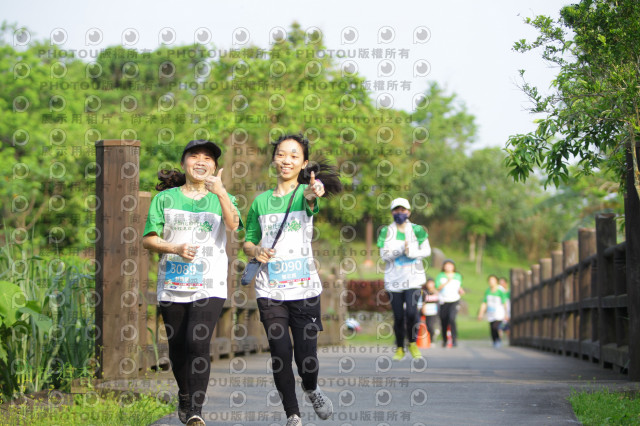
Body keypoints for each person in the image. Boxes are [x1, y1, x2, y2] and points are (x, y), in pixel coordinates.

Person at [242, 134, 342, 426]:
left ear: (304, 163)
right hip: (269, 289)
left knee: (306, 359)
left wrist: (315, 191)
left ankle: (311, 387)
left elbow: (312, 198)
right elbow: (248, 241)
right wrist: (257, 250)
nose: (287, 160)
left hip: (305, 289)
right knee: (280, 351)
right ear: (274, 158)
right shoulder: (260, 202)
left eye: (294, 156)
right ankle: (292, 414)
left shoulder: (305, 193)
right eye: (282, 154)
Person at [142, 140, 242, 426]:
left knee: (197, 341)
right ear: (185, 163)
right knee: (177, 346)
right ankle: (185, 395)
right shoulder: (165, 199)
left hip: (209, 283)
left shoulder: (223, 196)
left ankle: (195, 410)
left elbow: (234, 225)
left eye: (208, 158)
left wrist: (221, 192)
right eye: (194, 156)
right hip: (172, 283)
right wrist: (175, 248)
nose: (201, 161)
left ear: (214, 166)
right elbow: (149, 239)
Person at [377, 197, 432, 361]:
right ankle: (400, 347)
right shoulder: (386, 231)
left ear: (408, 212)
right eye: (396, 210)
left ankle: (413, 343)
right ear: (392, 212)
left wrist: (412, 252)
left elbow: (427, 251)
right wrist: (401, 249)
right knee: (399, 316)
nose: (400, 213)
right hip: (394, 281)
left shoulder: (418, 230)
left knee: (412, 313)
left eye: (403, 210)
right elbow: (384, 255)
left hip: (413, 279)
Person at [435, 259, 464, 347]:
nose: (448, 267)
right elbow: (438, 288)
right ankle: (444, 339)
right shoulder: (441, 276)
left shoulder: (458, 276)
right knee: (444, 321)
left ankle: (454, 339)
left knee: (452, 319)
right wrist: (447, 281)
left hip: (454, 300)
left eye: (450, 265)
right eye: (446, 265)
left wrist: (460, 290)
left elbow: (458, 286)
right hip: (444, 301)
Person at [477, 275, 510, 348]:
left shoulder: (500, 291)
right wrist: (481, 313)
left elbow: (504, 302)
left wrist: (506, 313)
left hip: (499, 313)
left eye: (493, 280)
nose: (491, 282)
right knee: (492, 328)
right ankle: (495, 341)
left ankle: (498, 340)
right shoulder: (488, 291)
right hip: (490, 313)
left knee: (496, 327)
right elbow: (484, 303)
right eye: (490, 280)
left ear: (496, 281)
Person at [421, 277, 440, 344]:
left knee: (433, 324)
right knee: (429, 325)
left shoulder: (437, 292)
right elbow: (423, 301)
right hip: (428, 311)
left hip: (435, 311)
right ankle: (431, 336)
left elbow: (440, 301)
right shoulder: (424, 292)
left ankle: (434, 335)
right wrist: (423, 308)